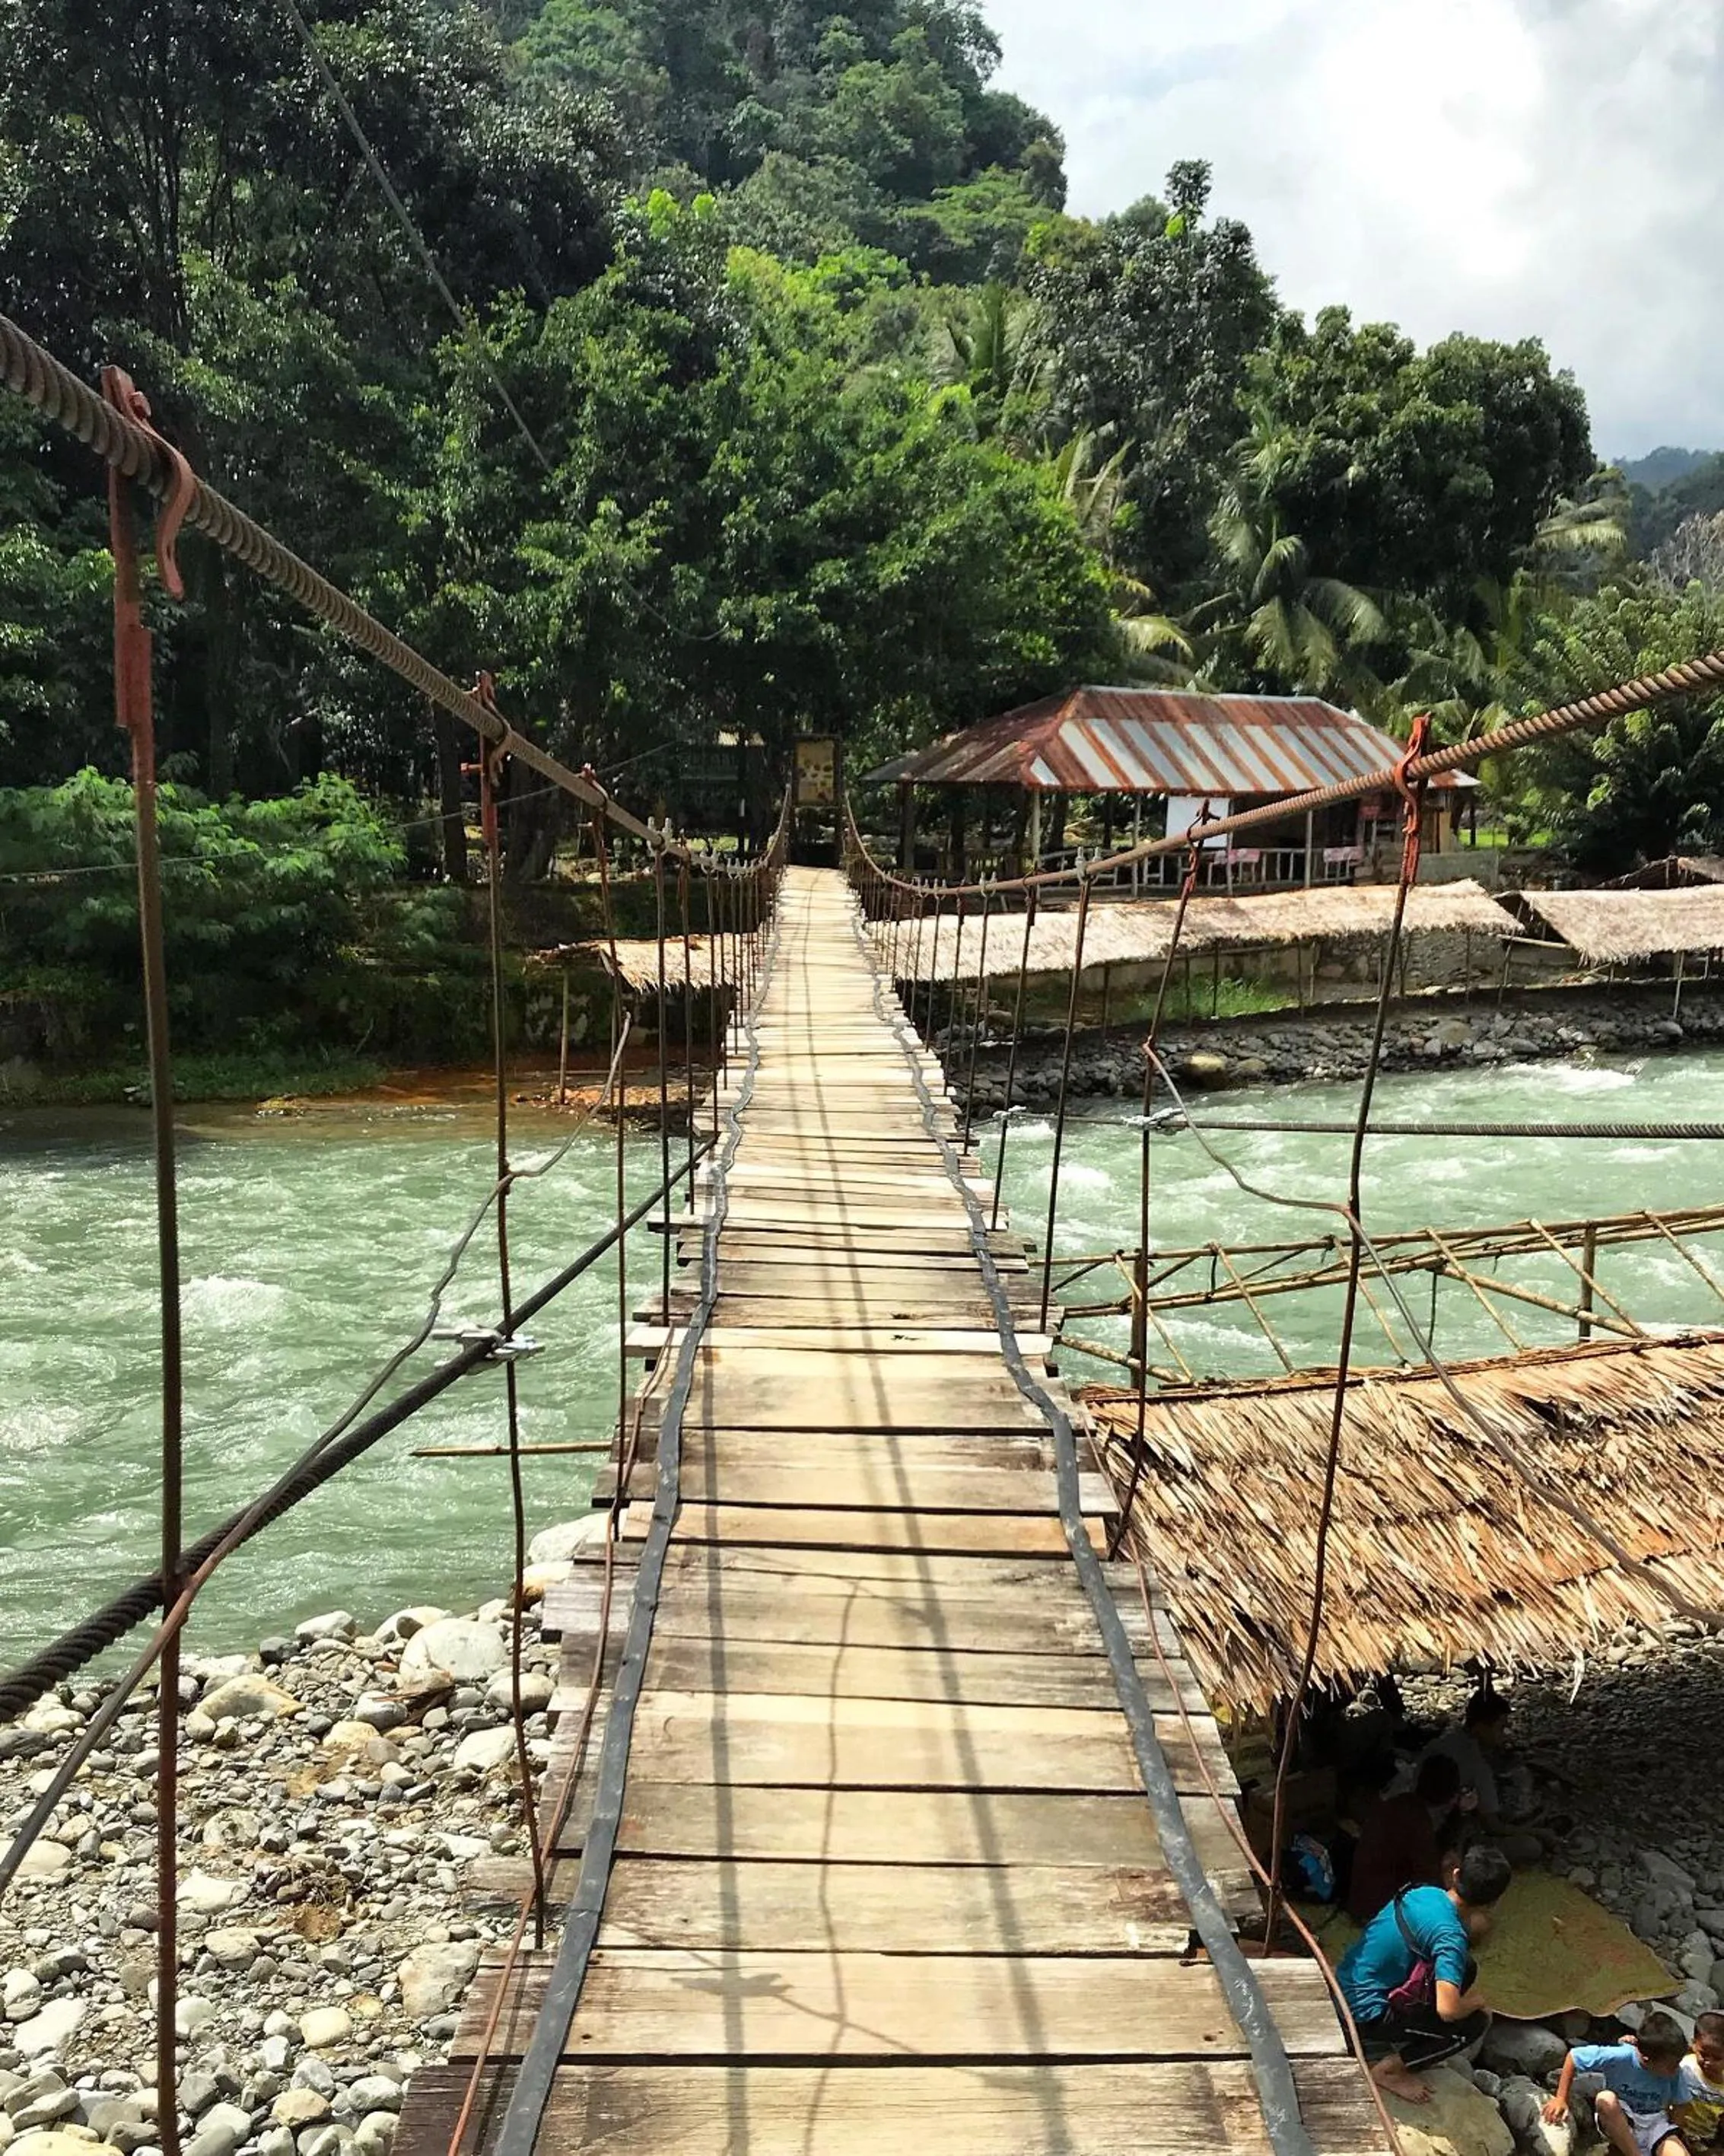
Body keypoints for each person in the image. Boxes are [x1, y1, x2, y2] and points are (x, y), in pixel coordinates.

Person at [1336, 1842, 1511, 2103]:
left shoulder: (1423, 1893)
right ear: (1493, 1902)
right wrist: (1476, 2003)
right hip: (1365, 2012)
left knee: (1467, 1967)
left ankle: (1408, 2038)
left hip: (1343, 1982)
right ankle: (1391, 2069)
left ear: (1455, 1874)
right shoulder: (1450, 1937)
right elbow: (1447, 2010)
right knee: (1473, 2025)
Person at [1543, 2014, 1699, 2156]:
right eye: (1672, 2065)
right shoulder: (1621, 2056)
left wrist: (1674, 2133)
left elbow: (1681, 2106)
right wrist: (1561, 2098)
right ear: (1646, 2059)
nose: (1677, 2068)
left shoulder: (1674, 2070)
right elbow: (1574, 2057)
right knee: (1606, 2098)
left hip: (1655, 2123)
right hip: (1621, 2117)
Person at [1346, 1753, 1463, 1922]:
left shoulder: (1398, 1804)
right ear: (1451, 1796)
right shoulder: (1417, 1823)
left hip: (1363, 1901)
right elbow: (1431, 1883)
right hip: (1379, 1913)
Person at [1422, 1689, 1512, 1830]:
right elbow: (1494, 1826)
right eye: (1500, 1728)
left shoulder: (1449, 1739)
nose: (1505, 1735)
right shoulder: (1473, 1760)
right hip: (1434, 1829)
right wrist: (1539, 1832)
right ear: (1480, 1727)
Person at [1674, 2014, 1724, 2154]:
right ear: (1694, 2044)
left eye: (1717, 2058)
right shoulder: (1684, 2067)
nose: (1709, 2062)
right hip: (1677, 2129)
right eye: (1704, 2054)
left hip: (1707, 2137)